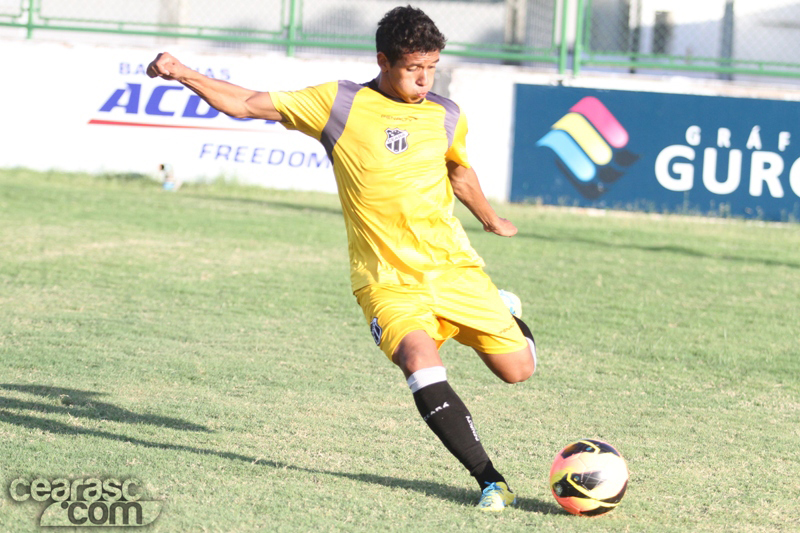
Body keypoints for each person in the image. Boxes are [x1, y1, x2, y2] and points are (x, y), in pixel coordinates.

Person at [147, 5, 536, 511]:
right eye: (412, 68)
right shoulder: (339, 103)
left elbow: (459, 173)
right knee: (419, 360)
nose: (423, 80)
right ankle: (490, 479)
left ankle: (506, 314)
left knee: (518, 372)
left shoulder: (445, 114)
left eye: (432, 68)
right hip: (385, 280)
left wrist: (489, 218)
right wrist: (181, 73)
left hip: (453, 269)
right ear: (383, 60)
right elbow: (244, 103)